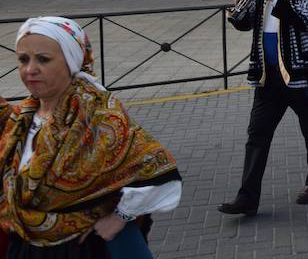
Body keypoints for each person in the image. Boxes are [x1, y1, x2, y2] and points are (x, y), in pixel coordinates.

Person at [1, 17, 181, 258]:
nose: (30, 69)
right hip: (24, 244)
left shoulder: (98, 117)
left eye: (43, 59)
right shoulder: (21, 117)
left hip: (79, 248)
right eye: (23, 59)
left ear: (71, 61)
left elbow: (158, 170)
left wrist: (119, 218)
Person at [219, 0, 308, 217]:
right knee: (257, 134)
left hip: (302, 72)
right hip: (268, 75)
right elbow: (244, 24)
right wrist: (237, 6)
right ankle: (247, 198)